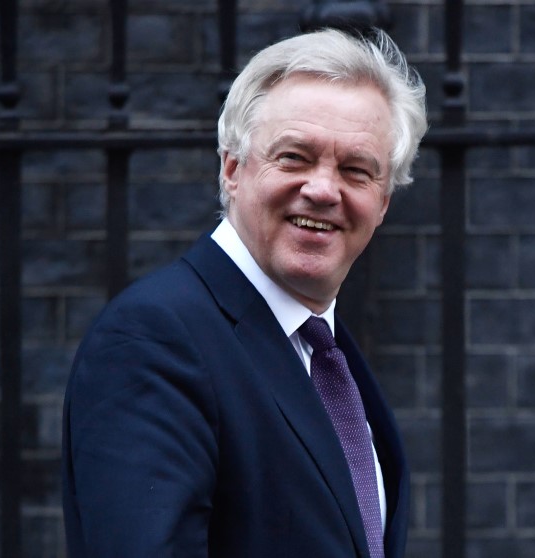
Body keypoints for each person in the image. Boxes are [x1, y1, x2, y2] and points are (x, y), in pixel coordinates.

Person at [62, 27, 428, 557]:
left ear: (384, 202)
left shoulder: (321, 347)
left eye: (356, 170)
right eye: (295, 157)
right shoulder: (154, 340)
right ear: (232, 168)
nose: (324, 190)